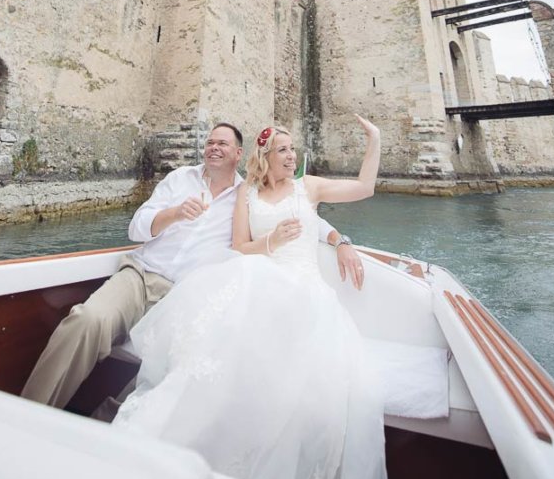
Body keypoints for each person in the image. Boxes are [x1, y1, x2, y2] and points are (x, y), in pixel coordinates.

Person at [112, 116, 388, 479]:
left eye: (293, 149)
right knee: (221, 348)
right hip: (259, 277)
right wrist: (271, 240)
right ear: (266, 156)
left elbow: (365, 187)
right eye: (284, 150)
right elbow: (240, 246)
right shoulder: (248, 193)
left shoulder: (309, 187)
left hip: (305, 290)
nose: (292, 156)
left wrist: (374, 140)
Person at [21, 122, 360, 409]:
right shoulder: (179, 179)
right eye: (210, 142)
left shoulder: (248, 195)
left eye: (223, 144)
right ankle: (27, 413)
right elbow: (136, 227)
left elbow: (301, 219)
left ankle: (116, 420)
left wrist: (340, 241)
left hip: (184, 294)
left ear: (238, 154)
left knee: (188, 361)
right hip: (140, 276)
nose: (214, 148)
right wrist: (173, 214)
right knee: (86, 319)